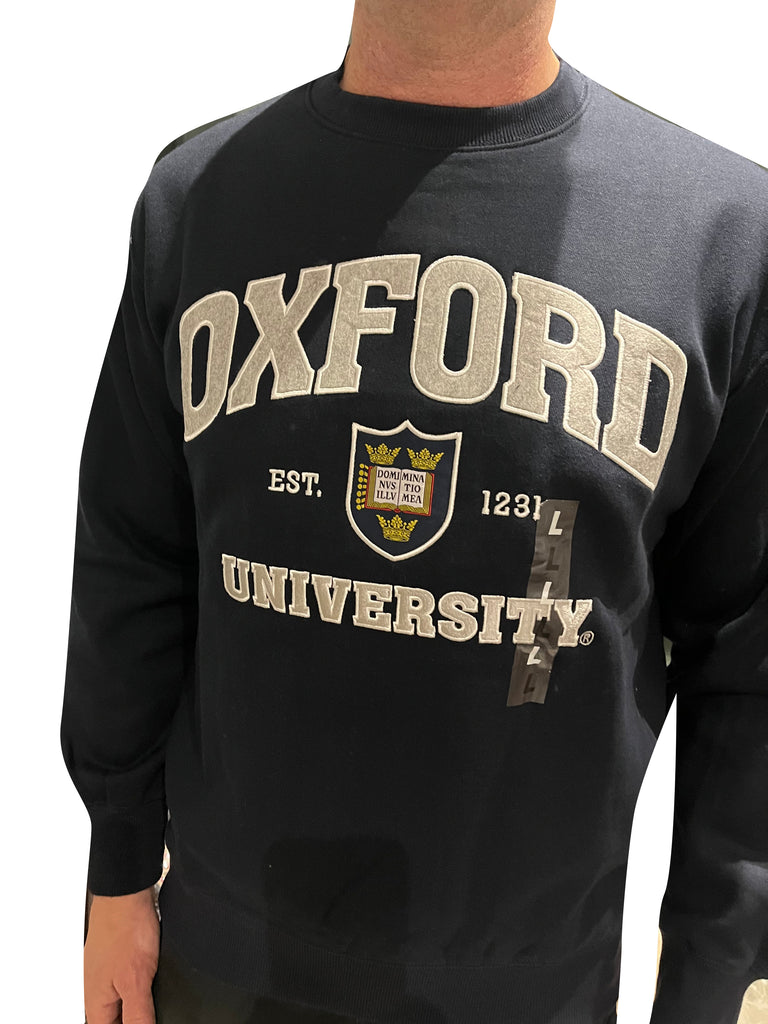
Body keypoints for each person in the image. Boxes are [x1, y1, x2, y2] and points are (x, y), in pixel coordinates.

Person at [60, 1, 768, 1022]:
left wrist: (715, 985)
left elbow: (748, 664)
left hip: (530, 991)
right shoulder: (198, 199)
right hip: (219, 962)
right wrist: (118, 867)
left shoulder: (724, 243)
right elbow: (131, 552)